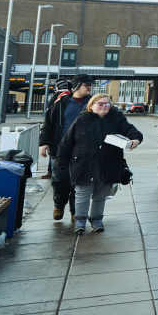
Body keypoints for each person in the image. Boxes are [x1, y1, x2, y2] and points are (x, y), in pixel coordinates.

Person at [56, 93, 141, 234]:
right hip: (83, 164)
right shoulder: (82, 119)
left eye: (107, 103)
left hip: (107, 164)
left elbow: (131, 131)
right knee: (82, 194)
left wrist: (135, 140)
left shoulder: (116, 118)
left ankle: (96, 220)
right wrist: (61, 162)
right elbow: (67, 142)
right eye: (100, 104)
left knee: (100, 195)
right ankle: (80, 221)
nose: (104, 106)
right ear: (92, 106)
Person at [39, 74, 94, 221]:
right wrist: (44, 143)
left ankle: (76, 212)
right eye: (86, 84)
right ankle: (59, 204)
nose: (89, 87)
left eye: (90, 85)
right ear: (76, 86)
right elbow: (48, 123)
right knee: (60, 181)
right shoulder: (61, 102)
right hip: (60, 149)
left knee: (79, 183)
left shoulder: (93, 103)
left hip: (83, 151)